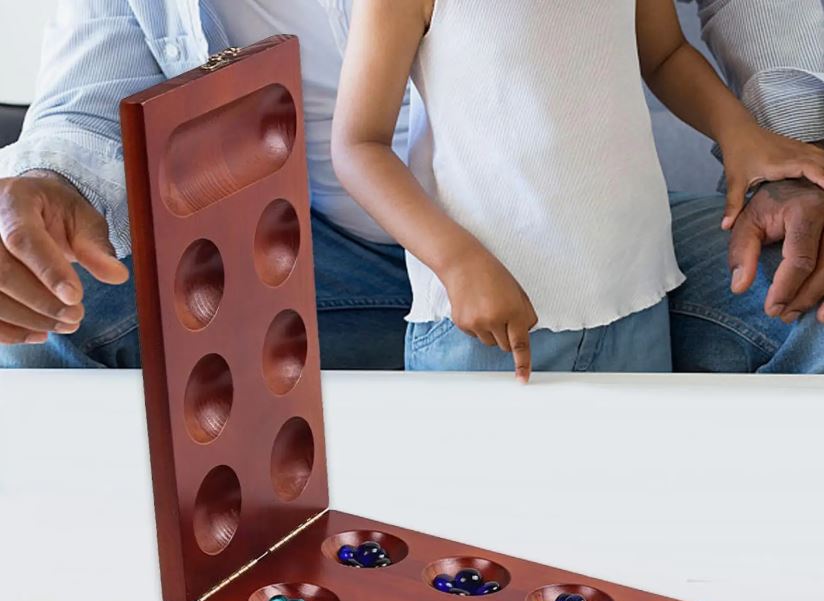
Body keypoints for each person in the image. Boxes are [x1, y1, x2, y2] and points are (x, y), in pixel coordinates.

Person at [0, 0, 822, 373]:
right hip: (321, 261)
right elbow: (358, 143)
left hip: (621, 246)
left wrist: (773, 148)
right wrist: (48, 186)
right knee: (46, 313)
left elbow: (666, 52)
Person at [332, 0, 824, 380]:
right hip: (485, 327)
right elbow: (358, 144)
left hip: (635, 302)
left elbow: (665, 53)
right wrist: (456, 261)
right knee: (474, 509)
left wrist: (738, 131)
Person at [0, 0, 412, 369]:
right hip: (317, 244)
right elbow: (90, 100)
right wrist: (48, 185)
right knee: (46, 305)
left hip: (462, 241)